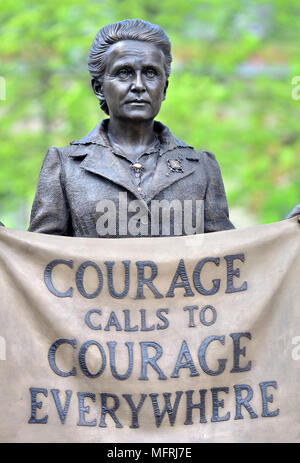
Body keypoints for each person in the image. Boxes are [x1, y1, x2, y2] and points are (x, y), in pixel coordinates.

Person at [28, 19, 299, 238]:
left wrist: (282, 237)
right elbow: (38, 262)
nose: (138, 85)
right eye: (124, 73)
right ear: (99, 88)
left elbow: (227, 261)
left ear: (164, 88)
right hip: (94, 307)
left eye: (150, 73)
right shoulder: (66, 167)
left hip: (181, 307)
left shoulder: (201, 168)